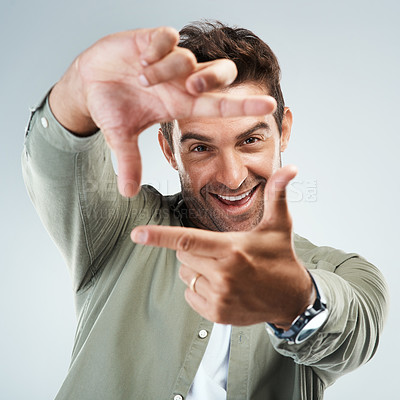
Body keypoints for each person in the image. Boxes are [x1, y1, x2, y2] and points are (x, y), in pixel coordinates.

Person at [22, 21, 388, 400]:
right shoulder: (121, 228)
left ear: (284, 131)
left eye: (250, 140)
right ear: (169, 150)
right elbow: (59, 164)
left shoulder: (343, 272)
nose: (231, 178)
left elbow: (355, 332)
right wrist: (78, 91)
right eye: (200, 148)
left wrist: (293, 299)